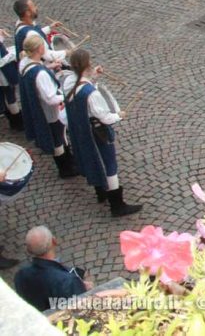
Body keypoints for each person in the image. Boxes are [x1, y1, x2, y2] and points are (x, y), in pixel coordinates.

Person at [63, 48, 143, 216]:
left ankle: (101, 192)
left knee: (92, 160)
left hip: (80, 130)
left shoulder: (68, 82)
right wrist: (119, 116)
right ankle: (117, 205)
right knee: (109, 164)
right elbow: (104, 116)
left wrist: (92, 76)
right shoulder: (91, 93)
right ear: (87, 65)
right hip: (96, 132)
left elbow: (81, 83)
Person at [18, 34, 75, 177]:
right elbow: (50, 98)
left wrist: (49, 67)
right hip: (49, 111)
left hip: (39, 106)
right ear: (39, 49)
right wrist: (67, 96)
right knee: (58, 139)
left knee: (59, 137)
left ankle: (67, 163)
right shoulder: (40, 74)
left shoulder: (24, 62)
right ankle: (65, 168)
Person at [14, 226, 91, 311]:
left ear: (29, 250)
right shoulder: (68, 281)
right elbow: (83, 308)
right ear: (54, 241)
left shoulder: (20, 275)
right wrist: (86, 291)